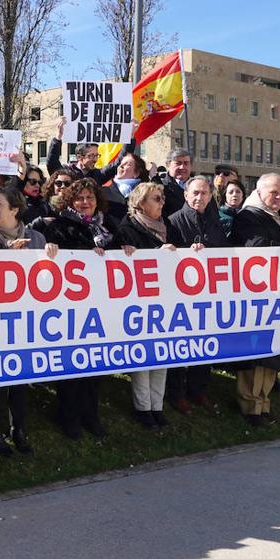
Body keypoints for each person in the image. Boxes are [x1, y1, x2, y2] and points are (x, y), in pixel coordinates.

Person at [31, 178, 126, 439]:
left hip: (102, 307)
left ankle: (91, 416)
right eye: (80, 198)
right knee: (72, 367)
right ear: (70, 201)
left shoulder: (109, 226)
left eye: (90, 198)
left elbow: (121, 252)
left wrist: (127, 250)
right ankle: (69, 417)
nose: (85, 203)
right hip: (70, 308)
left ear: (97, 201)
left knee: (95, 367)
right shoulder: (59, 226)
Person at [0, 184, 58, 454]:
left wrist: (52, 254)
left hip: (27, 321)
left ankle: (19, 429)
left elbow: (49, 275)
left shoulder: (37, 238)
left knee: (20, 381)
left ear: (15, 209)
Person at [229, 173, 280, 426]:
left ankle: (264, 403)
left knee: (274, 351)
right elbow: (256, 245)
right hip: (256, 296)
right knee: (255, 352)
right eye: (273, 193)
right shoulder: (248, 216)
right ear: (260, 192)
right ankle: (250, 405)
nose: (278, 198)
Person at [115, 182, 183, 427]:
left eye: (162, 198)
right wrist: (156, 253)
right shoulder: (128, 228)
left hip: (165, 299)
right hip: (139, 302)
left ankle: (158, 406)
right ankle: (143, 408)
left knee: (162, 355)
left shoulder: (168, 227)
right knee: (143, 356)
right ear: (141, 203)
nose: (162, 203)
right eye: (156, 199)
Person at [163, 176, 227, 413]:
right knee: (181, 346)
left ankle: (198, 390)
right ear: (186, 195)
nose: (200, 198)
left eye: (204, 193)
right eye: (195, 193)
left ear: (210, 196)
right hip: (181, 295)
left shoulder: (214, 221)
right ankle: (177, 393)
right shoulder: (173, 221)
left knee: (205, 344)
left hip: (207, 293)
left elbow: (224, 253)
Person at [46, 116, 136, 182]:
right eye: (91, 156)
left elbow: (119, 162)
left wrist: (130, 137)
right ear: (80, 157)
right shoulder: (67, 173)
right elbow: (52, 163)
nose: (95, 159)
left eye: (97, 155)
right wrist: (58, 137)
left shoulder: (98, 175)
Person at [104, 153, 149, 225]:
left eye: (127, 164)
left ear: (136, 173)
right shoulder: (103, 191)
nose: (121, 166)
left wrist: (154, 177)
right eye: (121, 163)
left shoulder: (145, 193)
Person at [154, 148, 193, 217]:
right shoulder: (159, 186)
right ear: (168, 165)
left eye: (186, 163)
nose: (182, 167)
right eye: (178, 163)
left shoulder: (201, 188)